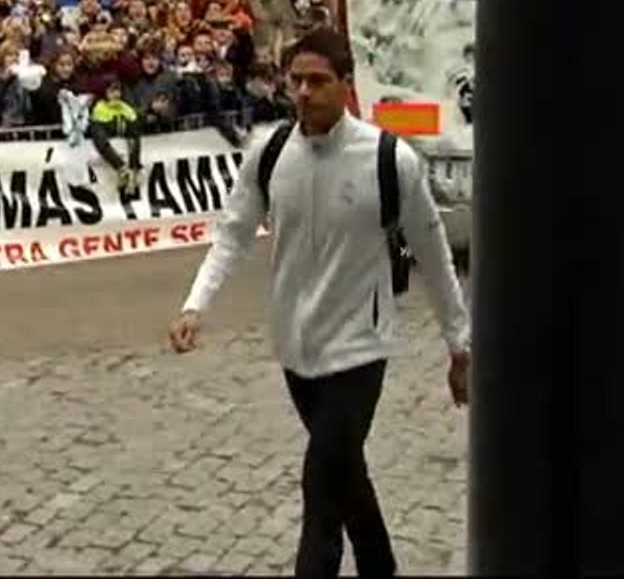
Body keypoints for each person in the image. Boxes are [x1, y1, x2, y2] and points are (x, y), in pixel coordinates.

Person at [168, 30, 470, 578]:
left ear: (346, 85)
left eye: (318, 81)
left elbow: (432, 250)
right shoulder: (272, 153)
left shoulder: (389, 159)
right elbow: (233, 234)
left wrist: (459, 344)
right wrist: (195, 305)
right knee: (344, 471)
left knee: (322, 483)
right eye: (296, 80)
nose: (304, 92)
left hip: (360, 347)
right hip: (295, 348)